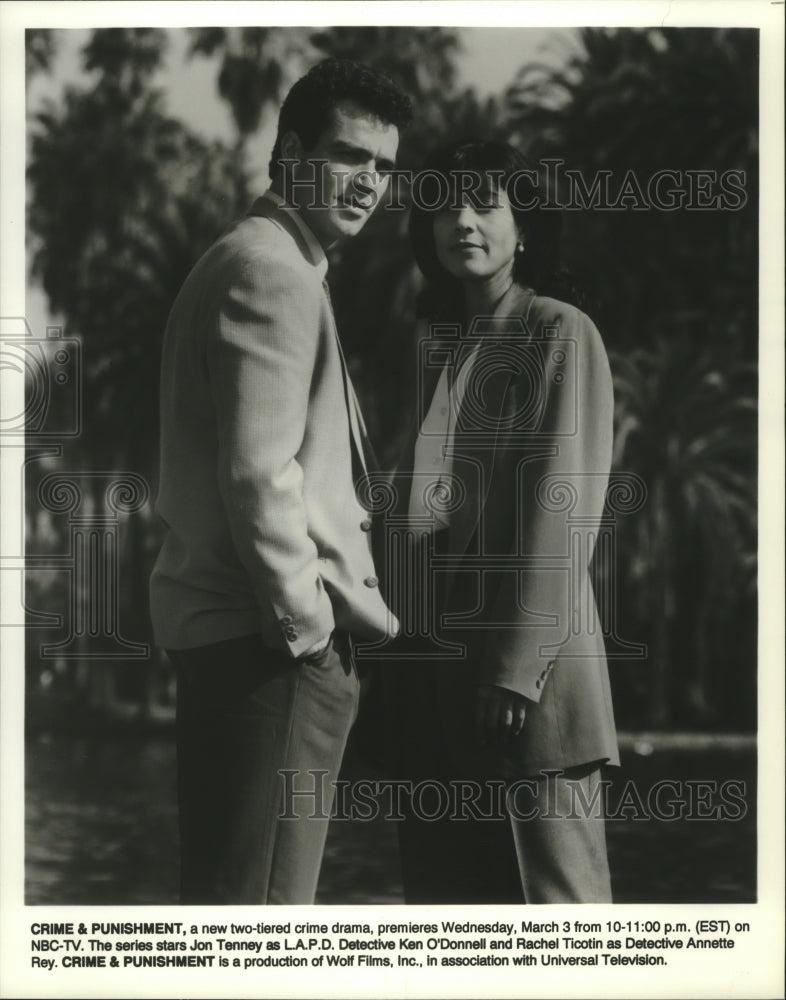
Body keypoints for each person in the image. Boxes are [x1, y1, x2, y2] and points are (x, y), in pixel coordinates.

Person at [149, 58, 411, 904]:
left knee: (233, 910)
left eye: (383, 167)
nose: (368, 183)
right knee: (264, 923)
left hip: (240, 643)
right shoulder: (275, 274)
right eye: (347, 156)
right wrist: (312, 635)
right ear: (291, 153)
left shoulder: (256, 259)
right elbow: (260, 478)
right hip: (271, 652)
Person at [375, 139, 619, 903]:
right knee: (451, 932)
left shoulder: (558, 330)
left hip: (526, 691)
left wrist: (514, 672)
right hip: (432, 685)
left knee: (556, 929)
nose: (462, 221)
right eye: (445, 204)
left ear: (527, 227)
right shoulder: (441, 350)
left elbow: (562, 504)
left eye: (485, 203)